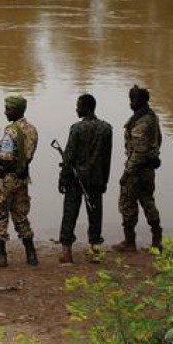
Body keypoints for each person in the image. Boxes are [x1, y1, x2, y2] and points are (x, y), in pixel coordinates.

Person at [0, 95, 39, 267]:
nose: (5, 112)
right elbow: (24, 153)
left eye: (8, 109)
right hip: (22, 179)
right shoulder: (32, 129)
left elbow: (6, 159)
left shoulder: (10, 130)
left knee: (0, 215)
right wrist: (1, 148)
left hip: (5, 180)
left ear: (17, 110)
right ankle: (31, 255)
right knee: (21, 215)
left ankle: (1, 256)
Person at [57, 94, 113, 264]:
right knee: (95, 213)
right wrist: (105, 181)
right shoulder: (106, 128)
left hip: (75, 179)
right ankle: (95, 250)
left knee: (69, 213)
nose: (76, 108)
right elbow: (106, 158)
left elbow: (69, 156)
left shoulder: (76, 128)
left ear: (87, 107)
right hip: (96, 179)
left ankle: (67, 253)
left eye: (78, 105)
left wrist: (63, 178)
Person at [112, 85, 163, 252]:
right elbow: (157, 141)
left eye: (133, 99)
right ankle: (157, 241)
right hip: (148, 169)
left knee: (127, 203)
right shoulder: (151, 117)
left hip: (138, 170)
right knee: (148, 201)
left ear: (139, 101)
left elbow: (139, 151)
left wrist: (126, 173)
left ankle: (130, 242)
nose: (130, 103)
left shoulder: (142, 121)